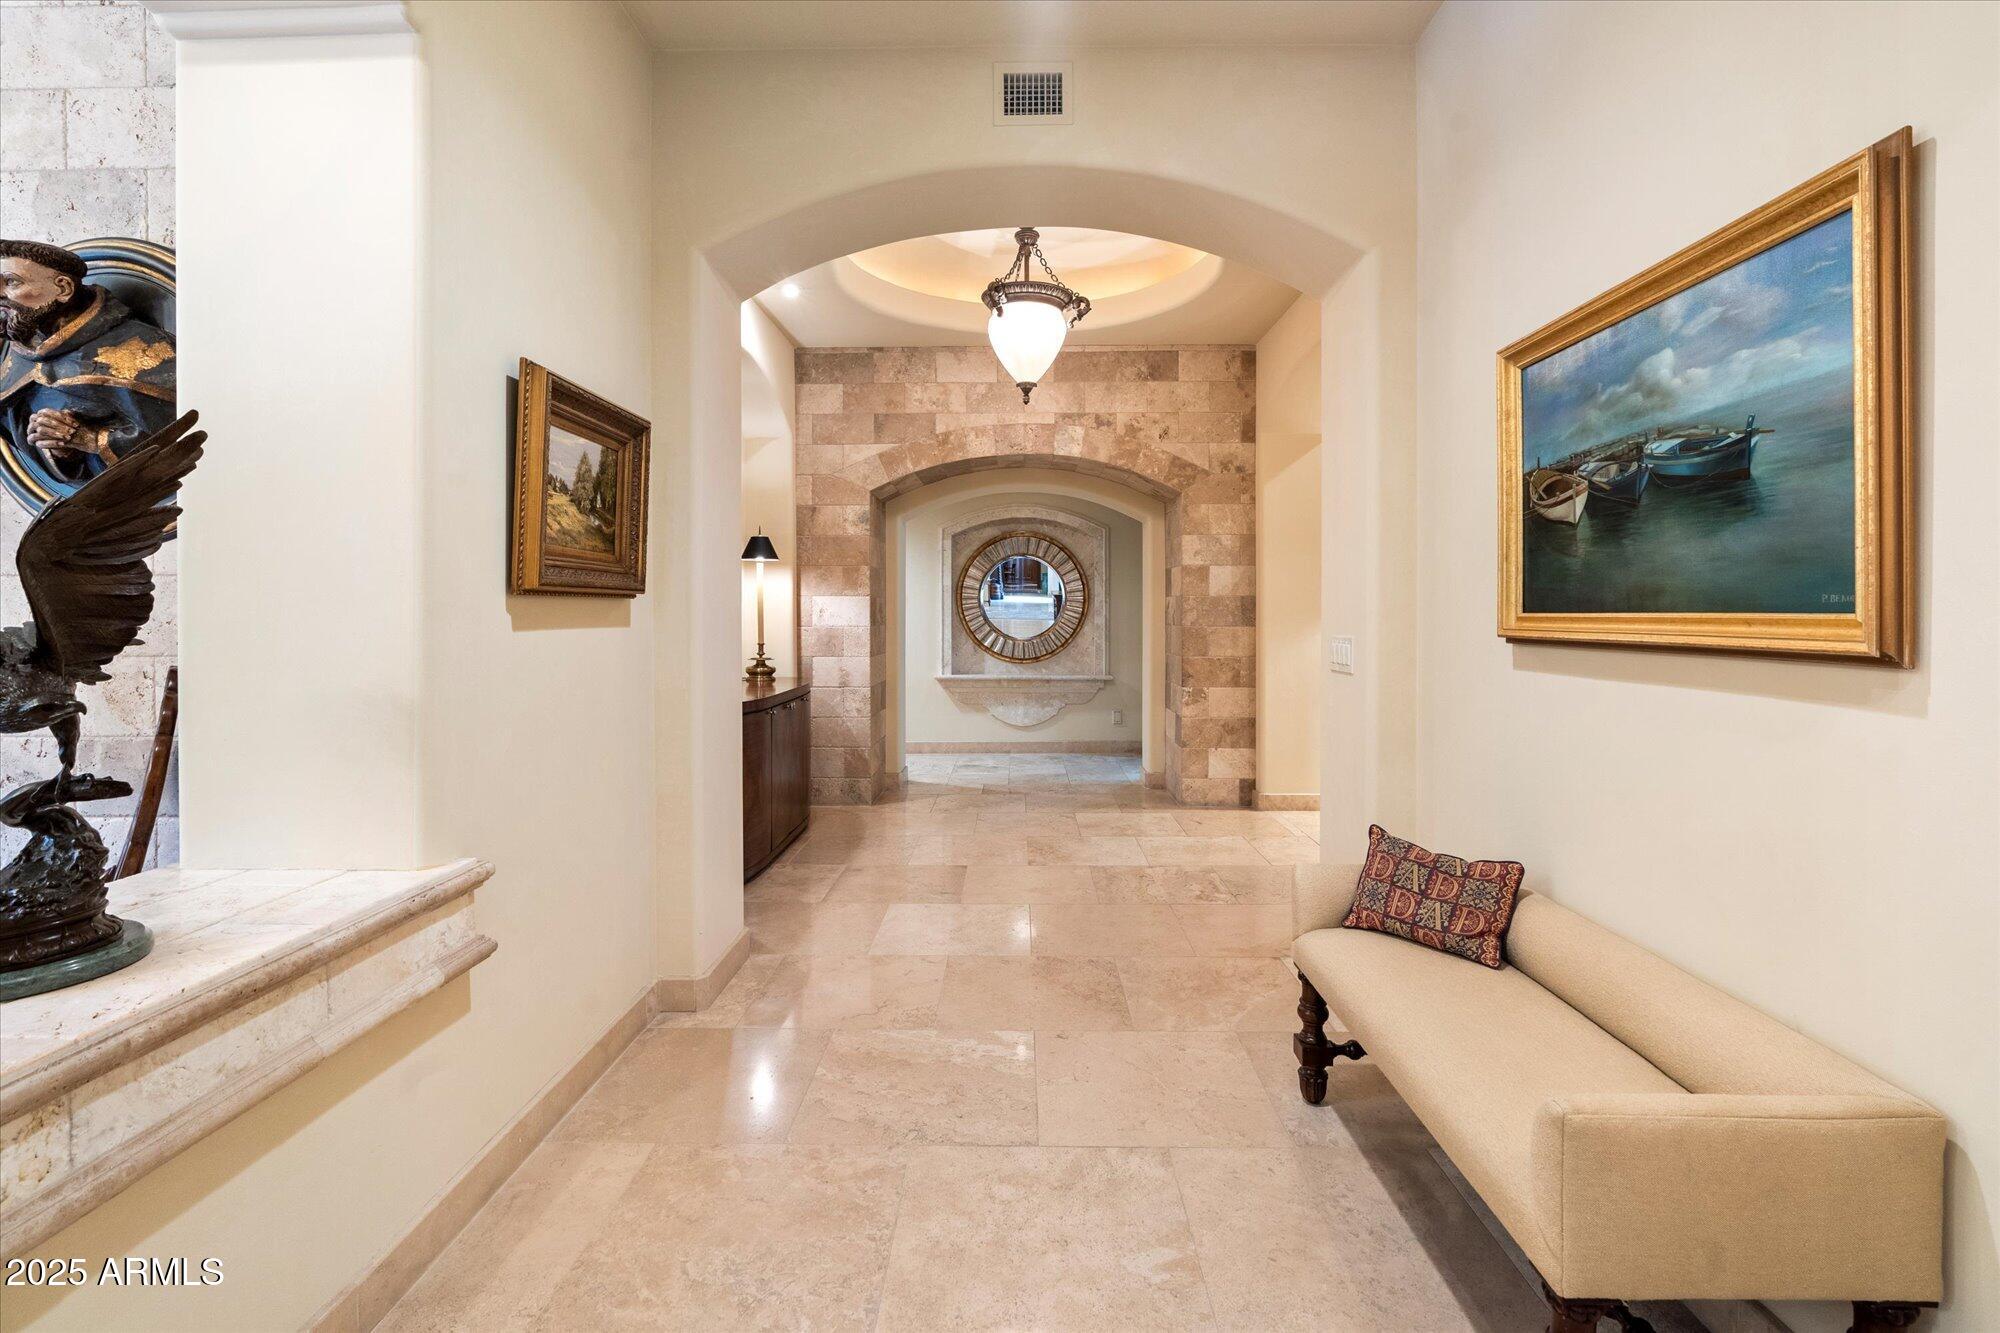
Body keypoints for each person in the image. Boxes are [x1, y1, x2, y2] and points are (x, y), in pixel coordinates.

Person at [0, 239, 177, 488]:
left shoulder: (140, 348)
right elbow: (31, 453)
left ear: (62, 288)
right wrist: (60, 449)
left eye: (11, 282)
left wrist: (94, 439)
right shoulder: (18, 359)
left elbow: (181, 435)